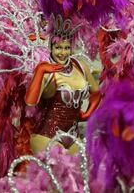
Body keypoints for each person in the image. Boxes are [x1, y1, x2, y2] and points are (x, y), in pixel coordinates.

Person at [25, 15, 101, 154]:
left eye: (67, 48)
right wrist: (40, 71)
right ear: (50, 48)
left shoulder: (80, 66)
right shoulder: (46, 70)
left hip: (74, 137)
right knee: (51, 176)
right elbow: (30, 102)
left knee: (78, 175)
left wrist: (88, 113)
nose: (63, 53)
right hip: (47, 136)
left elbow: (96, 93)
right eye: (58, 48)